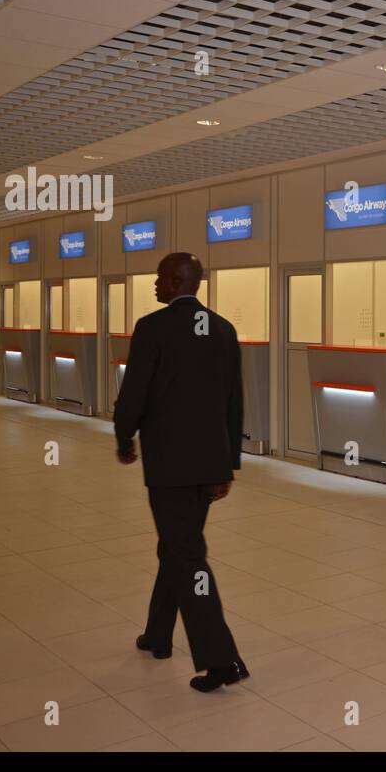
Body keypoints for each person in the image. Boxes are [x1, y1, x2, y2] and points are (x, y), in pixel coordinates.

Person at [112, 252, 249, 692]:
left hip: (169, 464)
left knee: (187, 556)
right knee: (177, 546)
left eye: (159, 278)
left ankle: (221, 659)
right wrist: (227, 463)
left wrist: (124, 434)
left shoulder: (153, 328)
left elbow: (134, 389)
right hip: (207, 464)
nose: (155, 285)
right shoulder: (223, 330)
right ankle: (157, 635)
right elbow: (233, 401)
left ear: (175, 281)